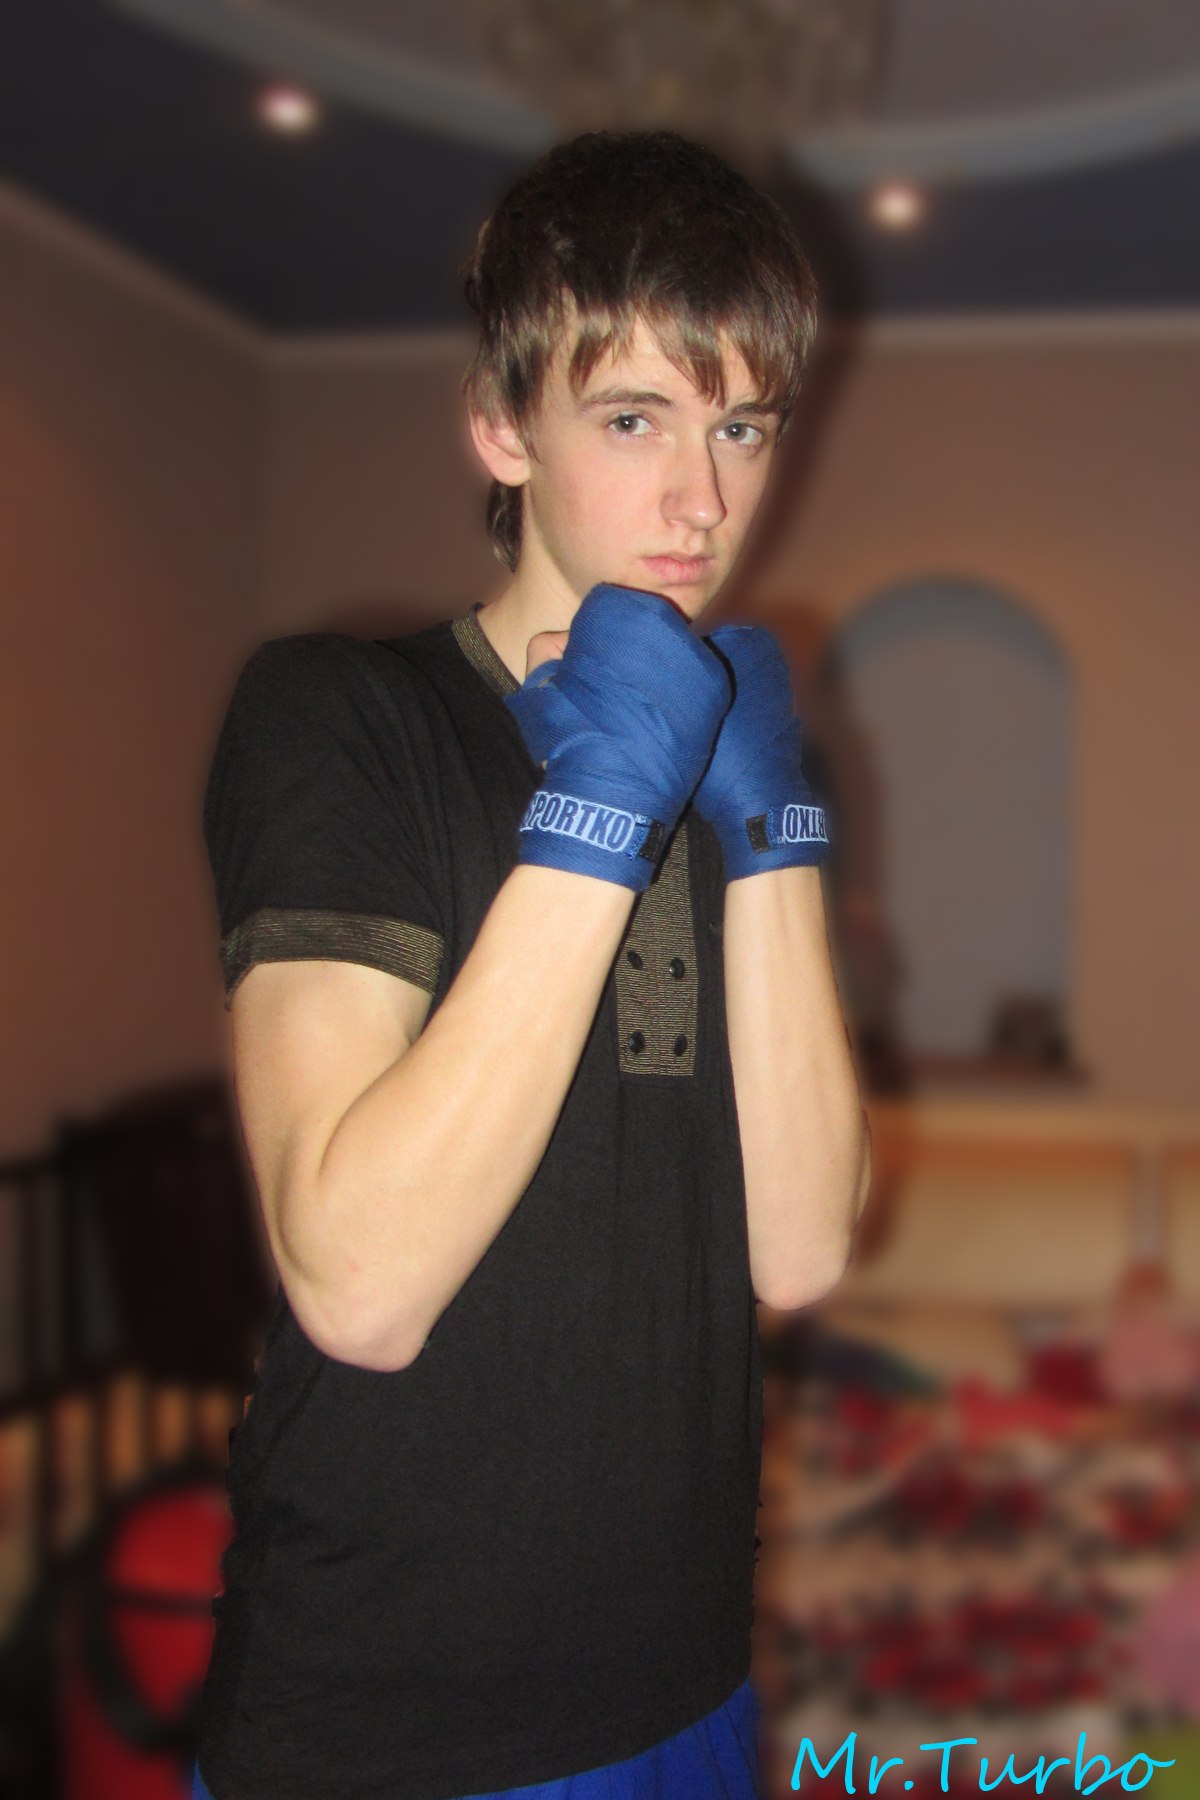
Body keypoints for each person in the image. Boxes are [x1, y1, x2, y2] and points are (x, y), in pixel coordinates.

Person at [194, 128, 870, 1800]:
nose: (703, 499)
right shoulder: (342, 718)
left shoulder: (733, 763)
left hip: (689, 1685)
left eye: (740, 428)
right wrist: (600, 808)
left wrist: (772, 832)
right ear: (504, 428)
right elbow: (358, 1288)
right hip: (389, 1722)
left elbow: (799, 1248)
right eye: (633, 420)